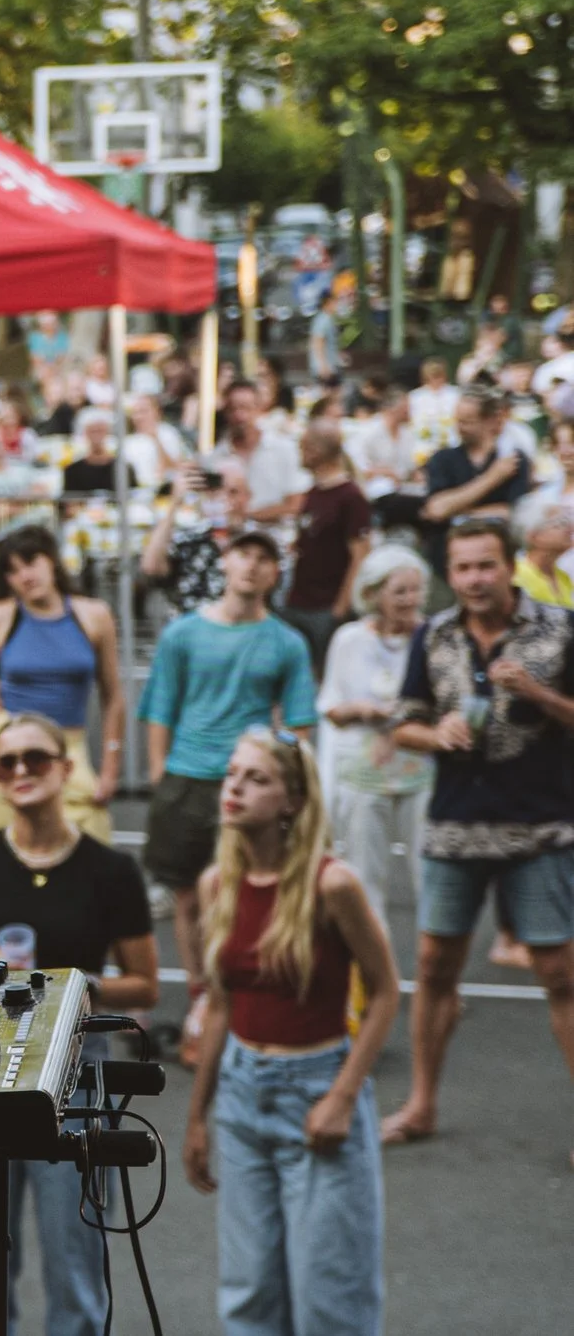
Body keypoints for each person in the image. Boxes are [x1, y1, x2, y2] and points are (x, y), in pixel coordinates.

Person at [0, 713, 160, 1336]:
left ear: (64, 767)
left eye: (35, 758)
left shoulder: (110, 870)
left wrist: (80, 987)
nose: (22, 771)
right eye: (8, 763)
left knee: (74, 1254)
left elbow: (147, 984)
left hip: (74, 1076)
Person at [183, 730, 400, 1336]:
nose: (235, 788)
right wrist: (199, 1116)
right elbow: (221, 1008)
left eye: (256, 779)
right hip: (240, 1095)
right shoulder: (215, 886)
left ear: (292, 802)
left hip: (316, 1091)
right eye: (232, 775)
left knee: (329, 1300)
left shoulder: (332, 885)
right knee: (249, 1297)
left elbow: (385, 992)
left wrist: (342, 1096)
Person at [381, 518, 574, 1158]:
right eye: (462, 568)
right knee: (434, 969)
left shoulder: (560, 627)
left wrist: (540, 694)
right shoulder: (434, 633)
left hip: (540, 826)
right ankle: (422, 1102)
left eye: (486, 565)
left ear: (510, 564)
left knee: (561, 975)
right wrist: (434, 735)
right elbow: (402, 725)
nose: (474, 579)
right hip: (455, 825)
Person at [141, 531, 319, 1055]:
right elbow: (159, 707)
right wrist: (159, 776)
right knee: (189, 896)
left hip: (250, 783)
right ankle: (201, 993)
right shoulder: (184, 633)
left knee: (245, 893)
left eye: (265, 558)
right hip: (186, 781)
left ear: (274, 573)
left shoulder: (287, 642)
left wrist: (286, 784)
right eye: (244, 554)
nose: (252, 566)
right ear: (225, 563)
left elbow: (300, 724)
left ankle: (242, 992)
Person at [0, 525, 124, 842]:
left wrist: (110, 768)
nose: (25, 575)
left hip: (67, 746)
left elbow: (113, 697)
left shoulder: (94, 615)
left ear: (52, 560)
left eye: (31, 562)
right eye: (12, 571)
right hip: (10, 745)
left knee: (87, 835)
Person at [316, 547, 434, 940]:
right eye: (400, 591)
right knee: (365, 881)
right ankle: (368, 978)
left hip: (420, 773)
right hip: (362, 776)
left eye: (416, 590)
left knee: (432, 878)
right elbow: (331, 708)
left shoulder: (434, 636)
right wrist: (364, 710)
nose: (410, 600)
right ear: (373, 593)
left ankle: (438, 979)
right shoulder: (349, 639)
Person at [284, 421, 374, 668]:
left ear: (315, 451)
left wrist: (340, 608)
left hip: (326, 605)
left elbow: (361, 555)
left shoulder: (350, 497)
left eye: (302, 448)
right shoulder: (314, 491)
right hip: (299, 601)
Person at [418, 386, 532, 564]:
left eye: (467, 422)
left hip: (498, 557)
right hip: (446, 558)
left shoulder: (513, 460)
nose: (459, 428)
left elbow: (514, 514)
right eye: (458, 421)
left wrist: (457, 510)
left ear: (490, 421)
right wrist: (493, 477)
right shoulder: (443, 459)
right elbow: (437, 509)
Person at [138, 459, 256, 617]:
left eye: (233, 492)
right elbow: (151, 566)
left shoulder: (258, 543)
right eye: (216, 491)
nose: (225, 499)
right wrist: (175, 502)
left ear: (247, 497)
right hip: (191, 630)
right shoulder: (191, 540)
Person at [216, 378, 309, 525]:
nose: (240, 416)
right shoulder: (214, 457)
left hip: (278, 538)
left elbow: (297, 504)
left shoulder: (286, 449)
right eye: (233, 409)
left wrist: (250, 515)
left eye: (246, 408)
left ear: (259, 408)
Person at [514, 500, 574, 607]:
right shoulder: (516, 575)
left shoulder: (563, 577)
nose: (570, 529)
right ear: (534, 536)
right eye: (560, 524)